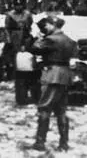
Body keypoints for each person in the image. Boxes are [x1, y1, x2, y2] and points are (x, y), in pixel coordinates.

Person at [29, 14, 77, 152]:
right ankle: (63, 143)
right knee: (61, 110)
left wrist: (39, 38)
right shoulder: (69, 40)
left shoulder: (50, 39)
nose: (45, 27)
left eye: (47, 25)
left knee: (44, 108)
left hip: (52, 74)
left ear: (53, 25)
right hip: (65, 75)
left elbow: (34, 48)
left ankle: (40, 142)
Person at [5, 0, 34, 78]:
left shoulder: (27, 14)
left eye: (20, 5)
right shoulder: (10, 14)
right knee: (13, 54)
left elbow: (30, 23)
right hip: (14, 34)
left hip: (25, 34)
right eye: (17, 5)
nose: (18, 7)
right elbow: (7, 27)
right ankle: (12, 73)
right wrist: (8, 39)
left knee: (25, 53)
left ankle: (25, 73)